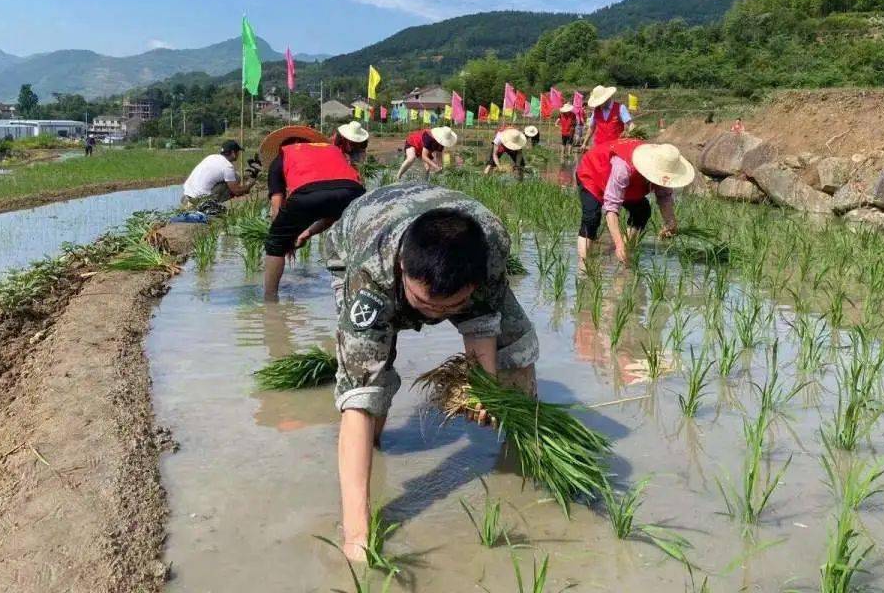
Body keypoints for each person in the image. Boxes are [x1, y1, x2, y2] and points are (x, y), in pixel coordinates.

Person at [326, 182, 539, 562]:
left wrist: (484, 389)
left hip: (453, 234)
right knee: (370, 383)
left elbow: (483, 319)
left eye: (450, 308)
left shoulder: (491, 250)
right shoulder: (370, 279)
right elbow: (357, 398)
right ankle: (374, 447)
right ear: (404, 269)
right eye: (424, 304)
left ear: (472, 284)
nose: (435, 317)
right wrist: (356, 537)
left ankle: (525, 447)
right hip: (360, 235)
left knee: (518, 346)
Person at [262, 123, 369, 302]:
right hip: (353, 191)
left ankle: (270, 300)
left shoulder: (283, 155)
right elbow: (334, 211)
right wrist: (307, 233)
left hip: (307, 193)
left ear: (283, 145)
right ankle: (361, 291)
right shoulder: (332, 150)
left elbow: (277, 202)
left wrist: (282, 237)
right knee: (358, 240)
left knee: (274, 244)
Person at [575, 140, 694, 267]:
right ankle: (584, 265)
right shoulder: (623, 167)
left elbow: (664, 197)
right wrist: (618, 242)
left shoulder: (664, 167)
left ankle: (625, 251)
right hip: (593, 172)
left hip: (627, 183)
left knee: (642, 211)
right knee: (592, 217)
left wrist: (670, 222)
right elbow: (611, 209)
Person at [181, 140, 255, 209]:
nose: (238, 154)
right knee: (234, 180)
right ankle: (217, 206)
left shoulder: (211, 157)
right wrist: (249, 185)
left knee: (234, 177)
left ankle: (189, 204)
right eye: (238, 152)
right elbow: (236, 191)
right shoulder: (227, 166)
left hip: (186, 196)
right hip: (200, 201)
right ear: (233, 153)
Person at [581, 85, 630, 150]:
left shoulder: (620, 108)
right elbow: (591, 128)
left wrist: (627, 132)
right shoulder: (596, 111)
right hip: (599, 147)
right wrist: (584, 143)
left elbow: (630, 125)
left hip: (616, 148)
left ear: (607, 98)